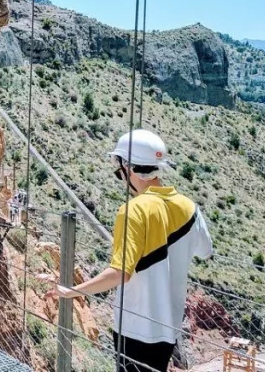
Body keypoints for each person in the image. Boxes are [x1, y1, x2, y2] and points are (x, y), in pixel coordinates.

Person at [44, 129, 213, 372]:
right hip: (169, 328)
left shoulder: (133, 211)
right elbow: (205, 250)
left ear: (129, 167)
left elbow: (119, 273)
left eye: (120, 169)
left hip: (135, 329)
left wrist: (72, 291)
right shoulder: (189, 208)